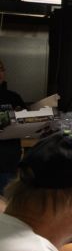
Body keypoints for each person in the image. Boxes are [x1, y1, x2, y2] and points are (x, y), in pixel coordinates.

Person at [0, 58, 26, 193]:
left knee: (7, 199)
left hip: (8, 160)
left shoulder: (13, 97)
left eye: (1, 70)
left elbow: (26, 121)